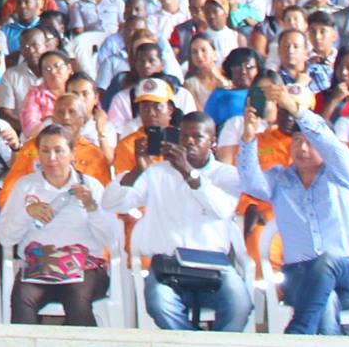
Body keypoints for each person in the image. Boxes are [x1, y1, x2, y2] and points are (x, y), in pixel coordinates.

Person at [237, 82, 349, 335]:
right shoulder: (280, 179)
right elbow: (249, 181)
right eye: (297, 141)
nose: (302, 148)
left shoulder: (341, 173)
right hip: (300, 277)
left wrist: (296, 110)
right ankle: (301, 333)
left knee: (327, 260)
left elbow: (329, 143)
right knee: (324, 301)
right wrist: (248, 139)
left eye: (309, 143)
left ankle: (298, 334)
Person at [100, 112, 250, 332]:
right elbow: (111, 204)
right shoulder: (157, 172)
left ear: (212, 142)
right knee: (160, 304)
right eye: (184, 136)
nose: (189, 142)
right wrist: (137, 170)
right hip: (169, 266)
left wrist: (188, 173)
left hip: (214, 265)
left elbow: (222, 209)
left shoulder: (226, 174)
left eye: (197, 137)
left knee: (240, 305)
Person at [0, 123, 119, 325]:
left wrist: (91, 207)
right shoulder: (26, 186)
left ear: (72, 154)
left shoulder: (91, 186)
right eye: (45, 151)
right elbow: (5, 237)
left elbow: (111, 240)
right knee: (22, 298)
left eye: (59, 151)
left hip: (84, 268)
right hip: (40, 266)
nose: (51, 158)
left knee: (77, 299)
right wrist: (27, 213)